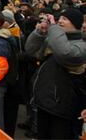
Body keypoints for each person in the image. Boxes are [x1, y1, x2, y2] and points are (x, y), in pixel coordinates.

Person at [33, 8, 86, 139]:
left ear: (76, 23)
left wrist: (54, 27)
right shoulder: (55, 39)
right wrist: (39, 32)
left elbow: (65, 52)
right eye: (59, 18)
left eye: (64, 19)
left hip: (63, 108)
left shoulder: (81, 46)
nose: (60, 21)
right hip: (44, 103)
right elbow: (31, 51)